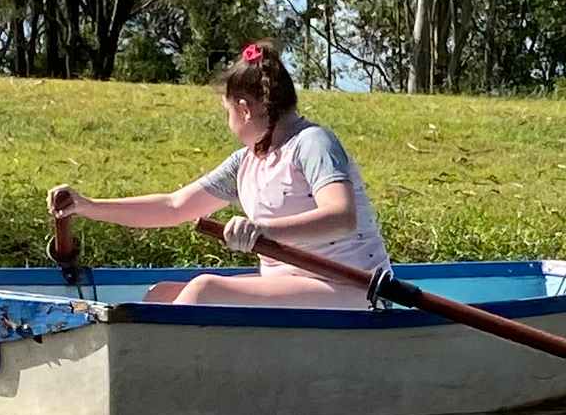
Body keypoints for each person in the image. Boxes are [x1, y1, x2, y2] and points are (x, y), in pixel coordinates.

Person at [48, 44, 391, 308]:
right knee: (160, 296)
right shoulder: (245, 162)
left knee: (204, 290)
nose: (229, 123)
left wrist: (263, 230)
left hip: (354, 288)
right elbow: (173, 206)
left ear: (243, 109)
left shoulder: (313, 143)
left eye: (228, 112)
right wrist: (85, 205)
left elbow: (342, 217)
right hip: (294, 285)